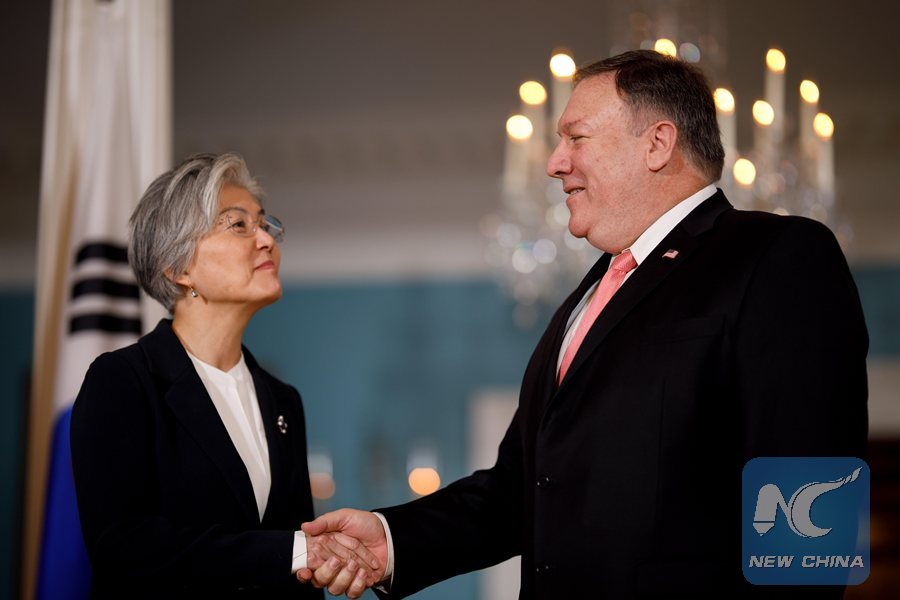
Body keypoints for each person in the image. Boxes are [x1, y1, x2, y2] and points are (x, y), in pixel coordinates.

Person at [297, 50, 869, 597]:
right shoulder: (589, 295)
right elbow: (519, 488)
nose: (554, 163)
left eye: (576, 137)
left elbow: (808, 496)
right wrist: (392, 541)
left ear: (657, 144)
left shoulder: (778, 256)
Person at [70, 153, 379, 599]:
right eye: (238, 225)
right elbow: (124, 548)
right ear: (178, 268)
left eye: (265, 224)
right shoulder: (123, 381)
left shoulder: (283, 400)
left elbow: (299, 568)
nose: (266, 240)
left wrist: (317, 558)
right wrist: (294, 551)